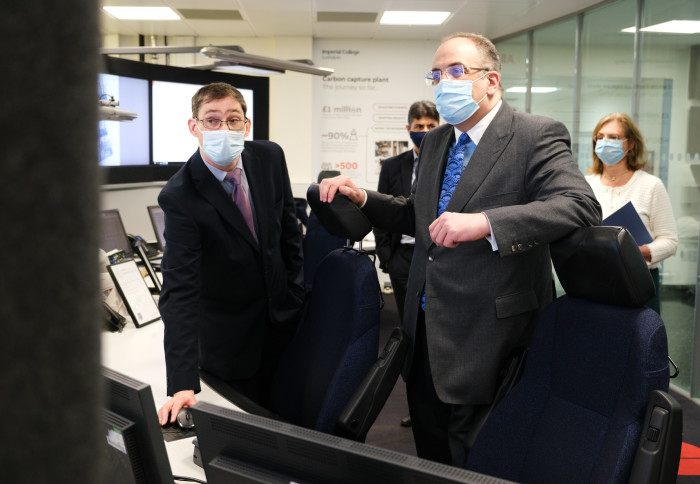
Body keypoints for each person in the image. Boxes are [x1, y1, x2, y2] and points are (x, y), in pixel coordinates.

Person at [318, 32, 601, 466]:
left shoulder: (534, 134)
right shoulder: (437, 142)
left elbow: (579, 205)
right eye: (436, 74)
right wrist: (364, 199)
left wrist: (486, 223)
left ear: (491, 80)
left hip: (492, 335)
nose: (442, 82)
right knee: (430, 455)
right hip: (424, 330)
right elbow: (421, 213)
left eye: (455, 71)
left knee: (482, 461)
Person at [156, 82, 304, 426]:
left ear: (246, 125)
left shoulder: (269, 157)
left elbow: (289, 233)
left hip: (286, 321)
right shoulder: (179, 196)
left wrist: (295, 292)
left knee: (296, 418)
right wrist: (181, 383)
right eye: (212, 120)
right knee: (253, 433)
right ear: (194, 127)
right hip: (230, 342)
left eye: (233, 119)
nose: (224, 128)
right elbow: (180, 290)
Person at [586, 112, 678, 313]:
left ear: (631, 145)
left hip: (636, 280)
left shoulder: (651, 185)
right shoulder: (585, 185)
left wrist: (637, 252)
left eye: (614, 137)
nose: (604, 142)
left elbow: (670, 242)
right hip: (594, 279)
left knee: (636, 341)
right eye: (600, 137)